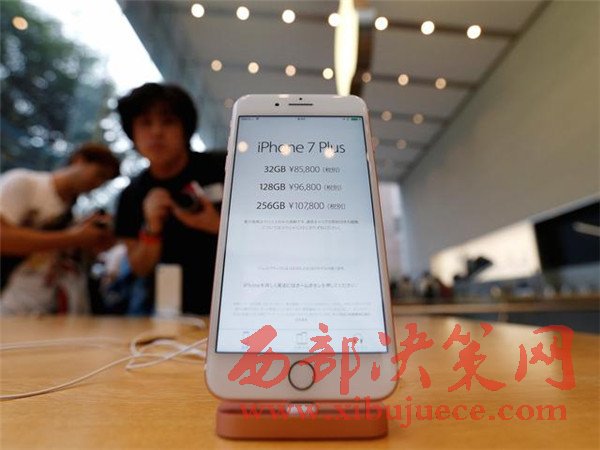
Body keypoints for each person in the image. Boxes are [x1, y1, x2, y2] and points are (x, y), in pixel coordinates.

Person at [114, 83, 225, 315]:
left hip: (230, 298)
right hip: (167, 309)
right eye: (145, 123)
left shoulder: (223, 168)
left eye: (168, 121)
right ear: (132, 133)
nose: (156, 132)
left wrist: (217, 226)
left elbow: (267, 235)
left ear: (186, 129)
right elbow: (140, 268)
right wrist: (152, 228)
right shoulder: (132, 194)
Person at [0, 143, 120, 314]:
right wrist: (74, 237)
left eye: (104, 181)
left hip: (42, 311)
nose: (97, 183)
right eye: (99, 174)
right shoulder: (24, 183)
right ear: (79, 160)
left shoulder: (71, 215)